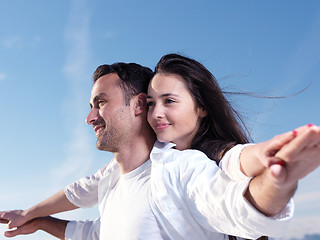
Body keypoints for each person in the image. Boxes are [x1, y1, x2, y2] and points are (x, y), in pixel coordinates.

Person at [1, 55, 320, 239]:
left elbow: (235, 205)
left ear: (138, 105)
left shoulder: (181, 168)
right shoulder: (112, 179)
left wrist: (278, 181)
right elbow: (93, 228)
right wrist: (36, 218)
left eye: (100, 103)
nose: (89, 117)